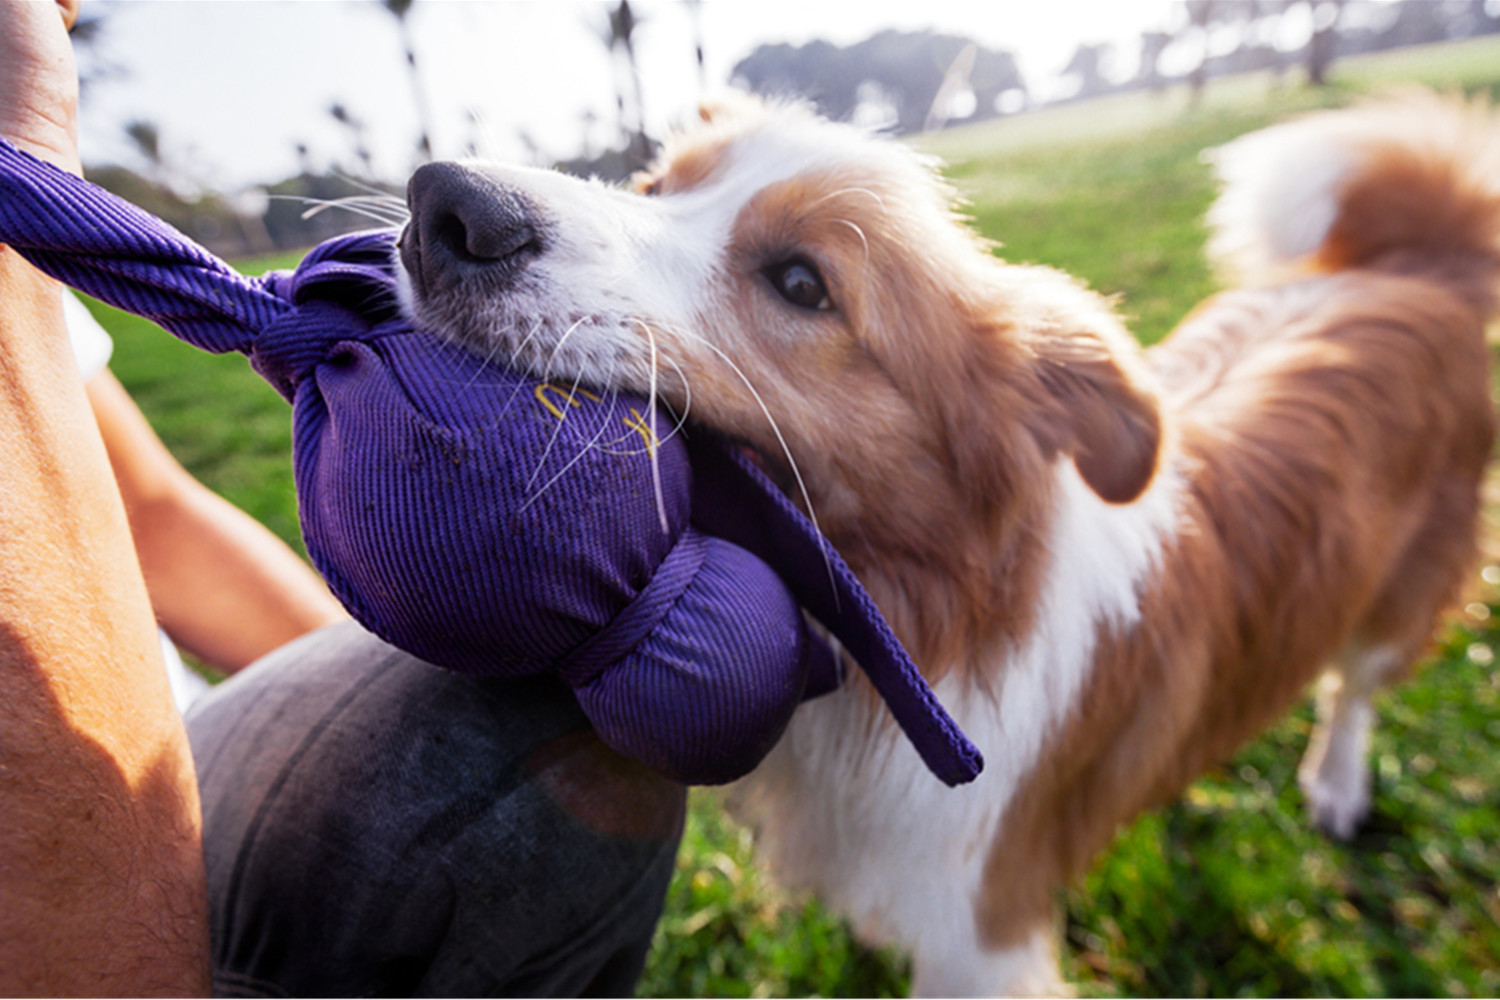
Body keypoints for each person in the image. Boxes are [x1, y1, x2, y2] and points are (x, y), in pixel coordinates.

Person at [0, 2, 686, 995]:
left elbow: (149, 517)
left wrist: (389, 679)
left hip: (164, 754)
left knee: (524, 716)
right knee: (516, 772)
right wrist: (19, 184)